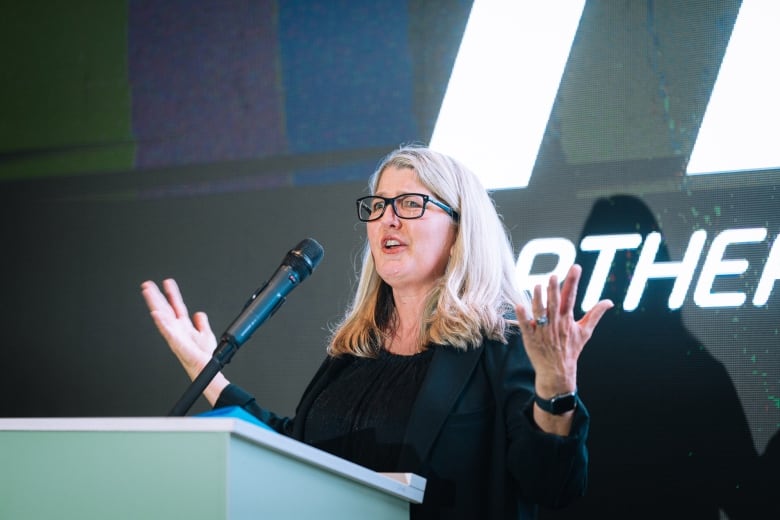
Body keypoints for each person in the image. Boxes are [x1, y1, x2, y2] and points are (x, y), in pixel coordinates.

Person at [141, 145, 613, 519]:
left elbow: (554, 485)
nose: (388, 216)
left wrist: (556, 389)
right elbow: (296, 453)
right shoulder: (354, 354)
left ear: (460, 231)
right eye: (380, 205)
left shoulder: (502, 344)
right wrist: (210, 376)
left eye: (410, 203)